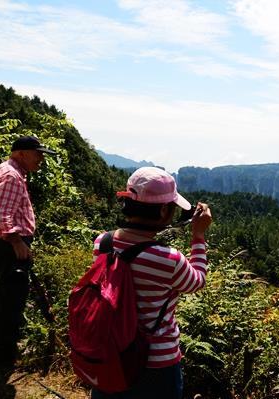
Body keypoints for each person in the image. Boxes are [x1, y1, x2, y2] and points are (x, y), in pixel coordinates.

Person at [91, 167, 212, 399]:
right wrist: (198, 236)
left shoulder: (102, 243)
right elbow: (198, 281)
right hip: (156, 362)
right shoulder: (169, 259)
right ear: (164, 210)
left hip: (109, 352)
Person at [0, 136, 56, 366]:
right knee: (13, 301)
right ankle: (4, 357)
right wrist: (17, 242)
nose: (41, 158)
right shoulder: (12, 176)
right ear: (21, 153)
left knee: (3, 296)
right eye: (38, 153)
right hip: (9, 245)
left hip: (1, 243)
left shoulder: (6, 171)